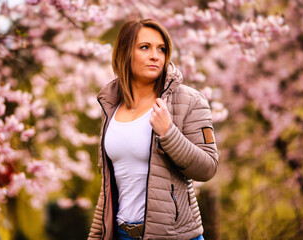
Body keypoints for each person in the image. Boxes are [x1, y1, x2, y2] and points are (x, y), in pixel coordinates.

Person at [88, 18, 218, 240]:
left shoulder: (189, 100)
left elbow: (208, 168)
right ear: (124, 53)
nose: (155, 56)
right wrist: (96, 235)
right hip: (122, 234)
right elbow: (109, 185)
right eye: (144, 47)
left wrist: (169, 133)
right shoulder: (111, 107)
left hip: (174, 235)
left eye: (161, 49)